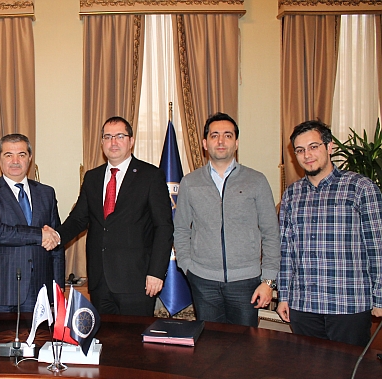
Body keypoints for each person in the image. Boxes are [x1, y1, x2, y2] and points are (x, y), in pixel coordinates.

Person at [54, 116, 173, 317]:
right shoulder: (92, 178)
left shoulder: (150, 176)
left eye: (120, 136)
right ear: (102, 143)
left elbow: (163, 227)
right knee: (104, 342)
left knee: (134, 345)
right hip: (100, 281)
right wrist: (56, 236)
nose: (113, 142)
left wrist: (156, 272)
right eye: (108, 137)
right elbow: (78, 219)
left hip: (137, 280)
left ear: (131, 141)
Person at [276, 120, 382, 346]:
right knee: (310, 374)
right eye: (300, 150)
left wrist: (380, 296)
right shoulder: (291, 195)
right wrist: (283, 296)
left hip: (348, 305)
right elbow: (285, 251)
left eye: (314, 147)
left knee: (347, 374)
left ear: (329, 147)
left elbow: (378, 247)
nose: (307, 155)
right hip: (303, 306)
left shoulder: (361, 188)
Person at [174, 112, 280, 327]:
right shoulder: (190, 182)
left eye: (227, 135)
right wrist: (187, 266)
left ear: (236, 142)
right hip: (203, 281)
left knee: (244, 349)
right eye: (214, 135)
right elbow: (181, 229)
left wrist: (268, 280)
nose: (221, 141)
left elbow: (271, 232)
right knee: (209, 348)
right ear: (205, 143)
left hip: (246, 282)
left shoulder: (256, 181)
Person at [0, 134, 64, 313]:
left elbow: (56, 240)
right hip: (2, 289)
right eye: (8, 155)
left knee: (39, 341)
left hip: (40, 288)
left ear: (29, 158)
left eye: (21, 155)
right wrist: (39, 235)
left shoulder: (46, 193)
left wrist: (58, 285)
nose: (15, 161)